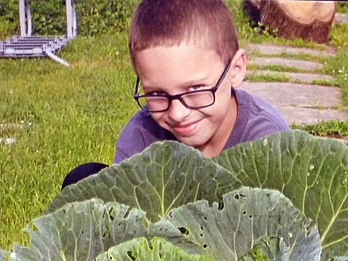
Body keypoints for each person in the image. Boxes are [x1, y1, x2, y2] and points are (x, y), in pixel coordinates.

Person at [62, 0, 288, 188]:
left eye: (196, 89)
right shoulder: (142, 135)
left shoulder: (267, 141)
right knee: (82, 180)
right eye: (158, 93)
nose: (177, 113)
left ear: (236, 69)